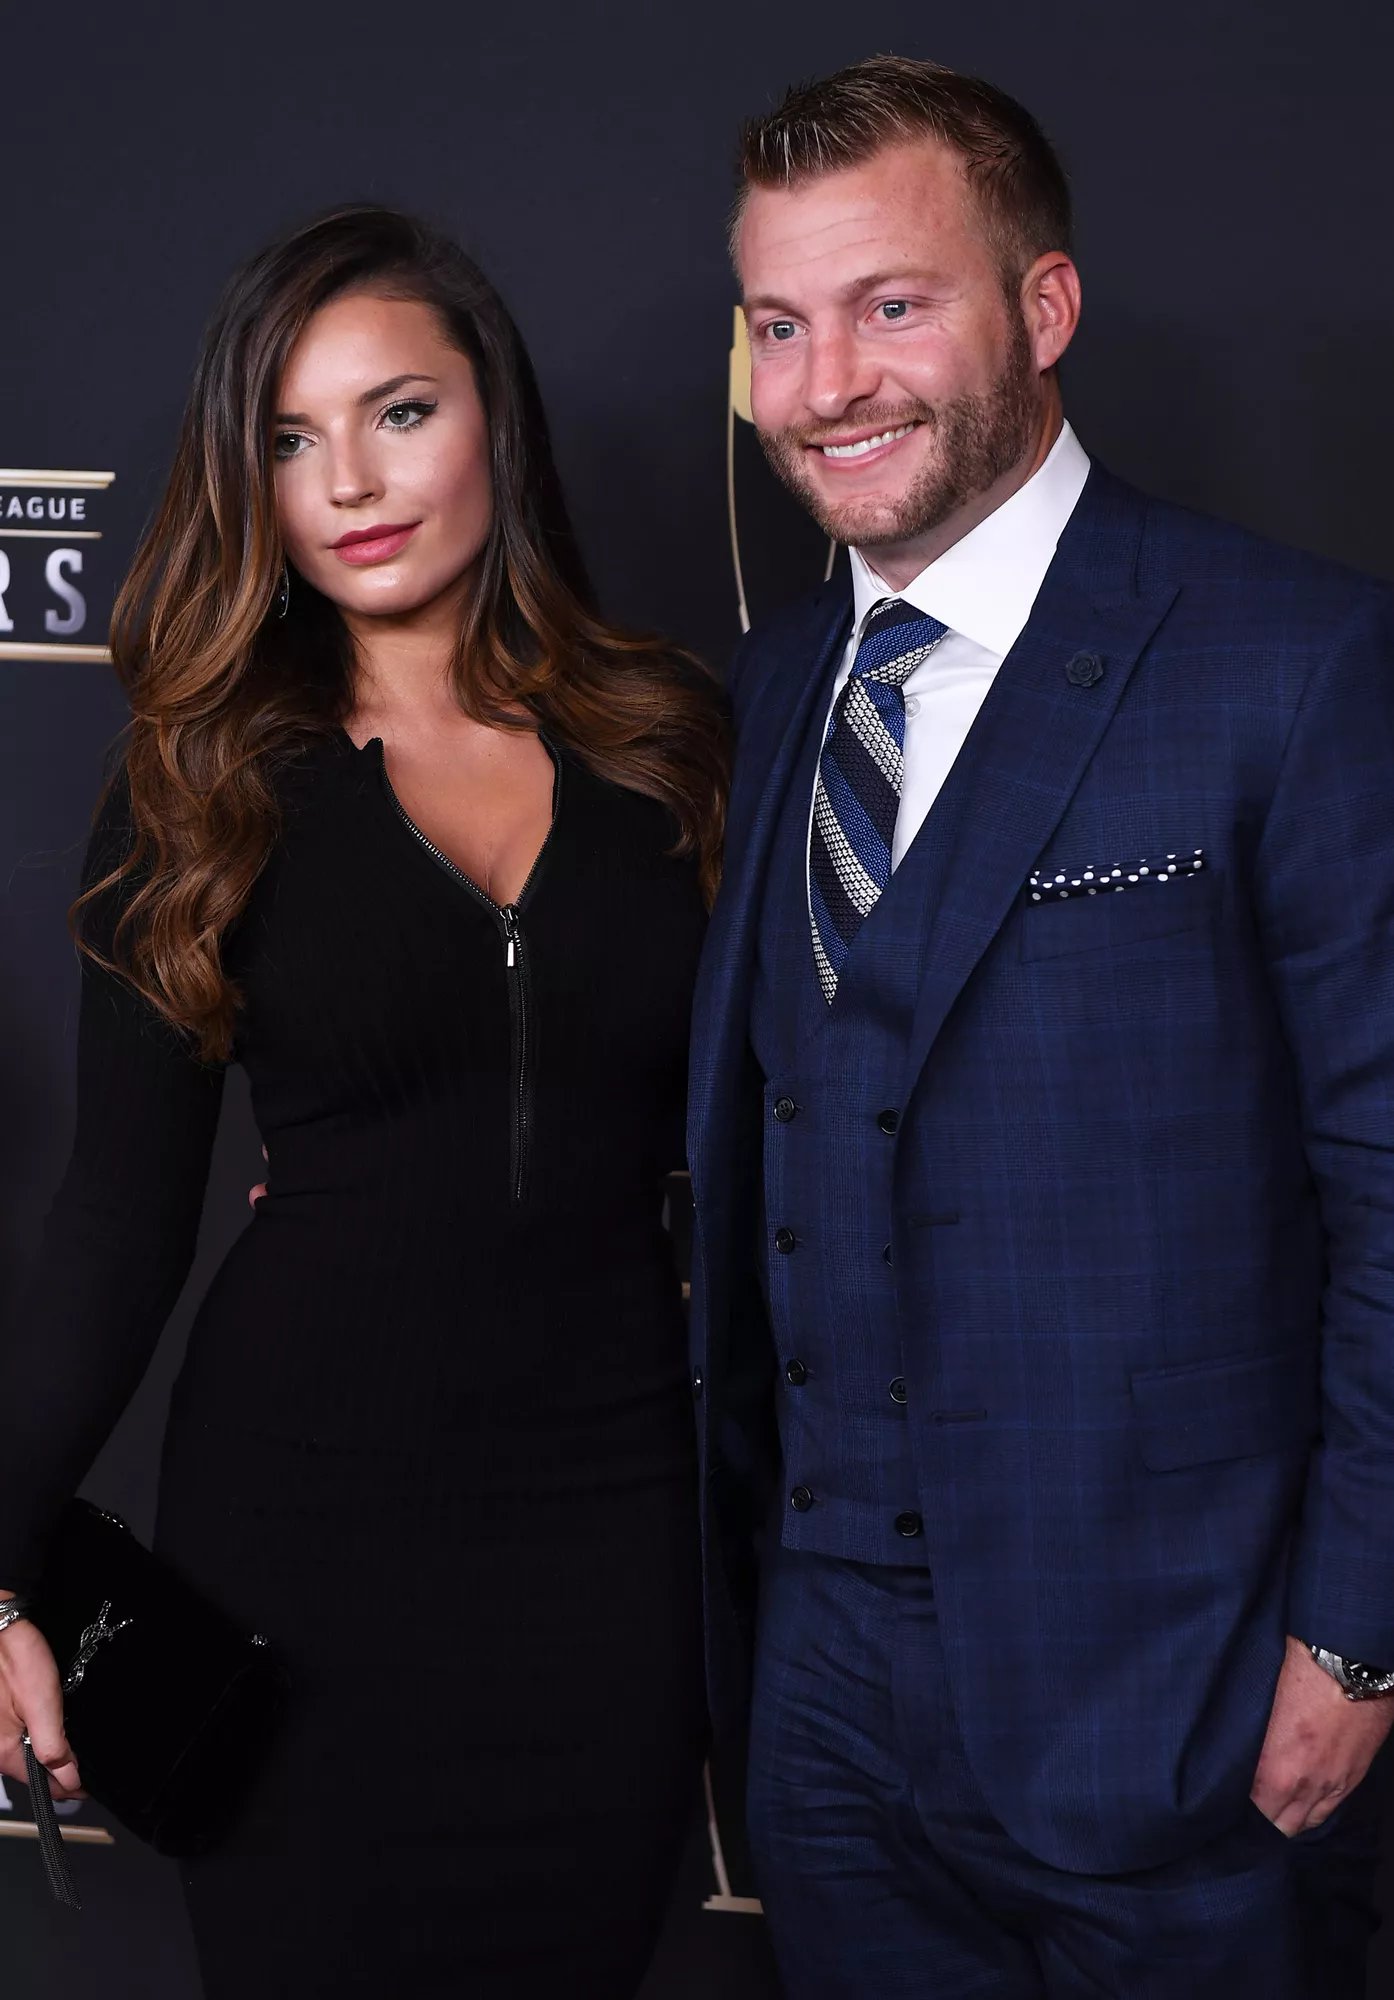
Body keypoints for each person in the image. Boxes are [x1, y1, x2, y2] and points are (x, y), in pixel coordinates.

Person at [688, 54, 1394, 1999]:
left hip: (1183, 1690)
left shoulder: (1289, 658)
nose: (827, 383)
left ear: (1044, 306)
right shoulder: (773, 686)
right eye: (778, 325)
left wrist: (1356, 1634)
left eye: (890, 305)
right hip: (823, 1705)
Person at [0, 205, 723, 1999]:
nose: (348, 482)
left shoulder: (675, 748)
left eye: (399, 411)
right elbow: (113, 1227)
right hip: (300, 1555)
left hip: (614, 1540)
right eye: (289, 437)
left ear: (493, 417)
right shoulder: (197, 785)